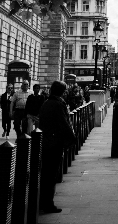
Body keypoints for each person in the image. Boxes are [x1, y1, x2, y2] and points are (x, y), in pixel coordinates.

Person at [37, 81, 77, 215]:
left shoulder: (47, 103)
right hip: (54, 143)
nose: (66, 93)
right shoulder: (58, 104)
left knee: (46, 174)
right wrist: (72, 139)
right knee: (51, 175)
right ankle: (48, 204)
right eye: (64, 90)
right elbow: (63, 124)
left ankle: (42, 202)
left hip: (46, 141)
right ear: (60, 91)